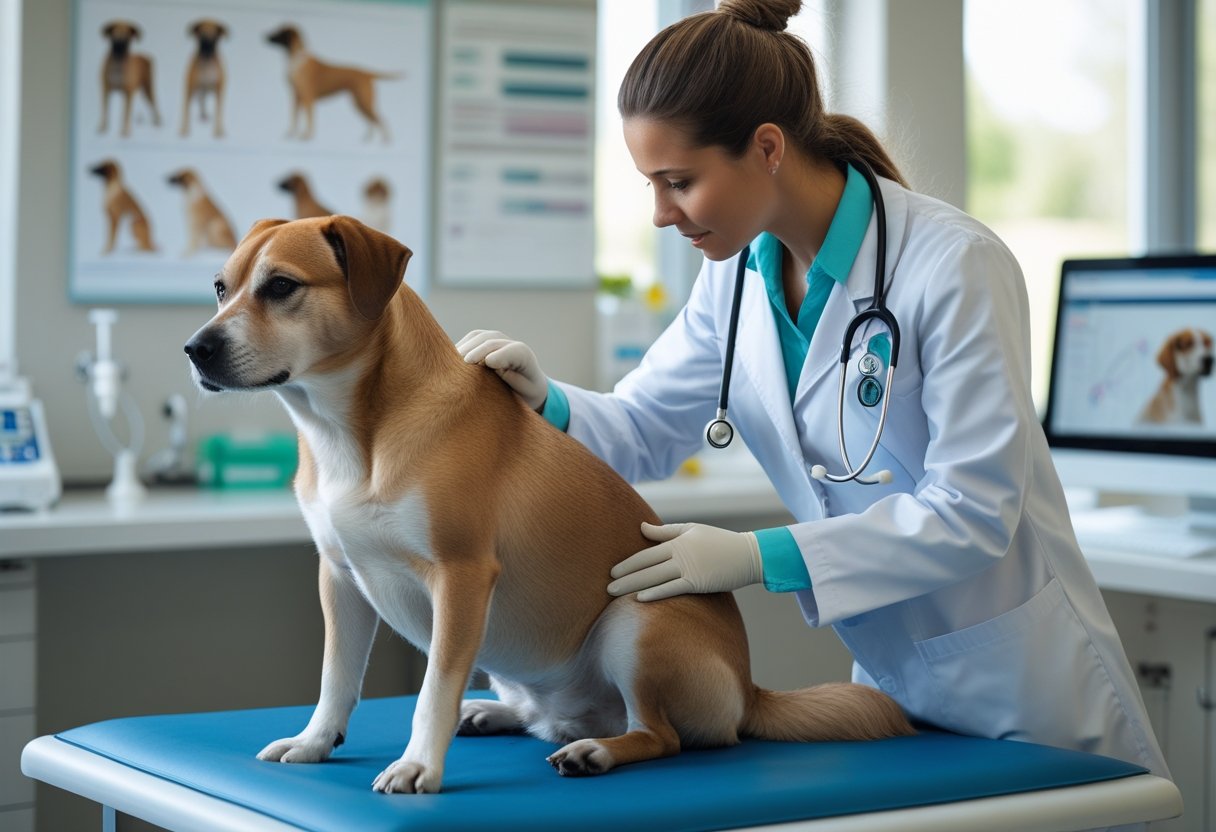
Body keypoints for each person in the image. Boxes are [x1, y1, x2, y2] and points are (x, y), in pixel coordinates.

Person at [457, 0, 1169, 793]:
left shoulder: (954, 265)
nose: (661, 215)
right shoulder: (733, 277)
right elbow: (643, 429)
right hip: (890, 686)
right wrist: (545, 399)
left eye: (679, 182)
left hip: (1018, 687)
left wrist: (760, 556)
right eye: (651, 186)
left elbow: (974, 510)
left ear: (766, 147)